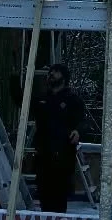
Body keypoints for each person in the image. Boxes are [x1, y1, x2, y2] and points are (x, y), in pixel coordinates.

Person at [29, 62, 86, 211]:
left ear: (64, 78)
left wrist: (78, 131)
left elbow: (83, 121)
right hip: (44, 156)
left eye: (56, 72)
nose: (51, 74)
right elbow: (22, 102)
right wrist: (14, 77)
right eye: (50, 72)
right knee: (44, 198)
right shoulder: (43, 99)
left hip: (63, 157)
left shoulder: (72, 100)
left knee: (59, 200)